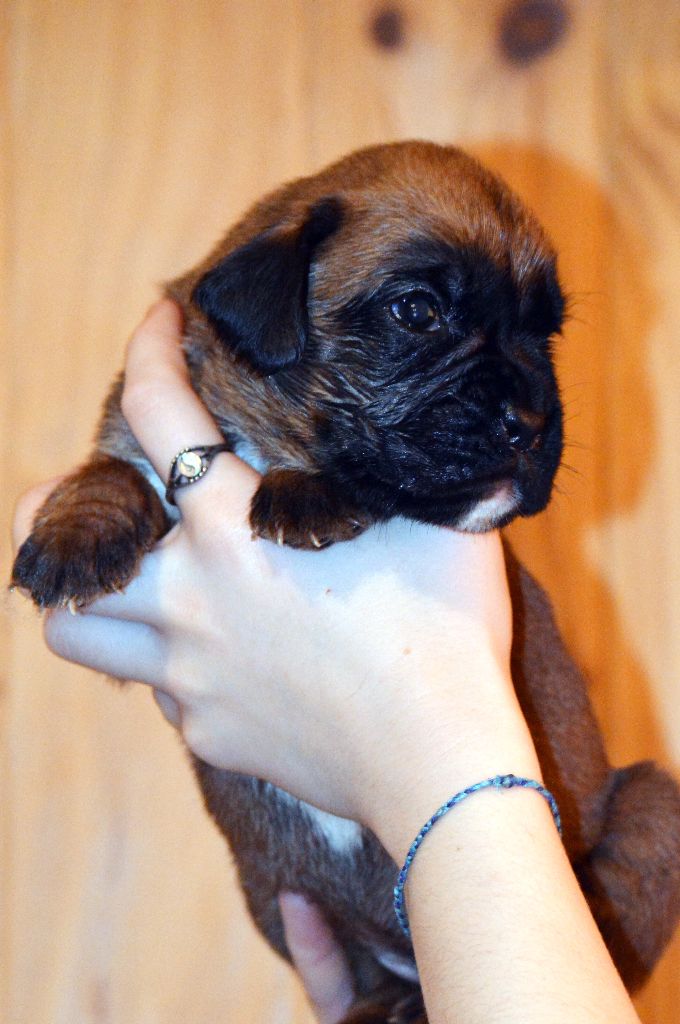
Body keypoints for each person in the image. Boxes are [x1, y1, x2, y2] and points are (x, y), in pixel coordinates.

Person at [12, 301, 642, 1024]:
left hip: (549, 908)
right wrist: (111, 499)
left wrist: (438, 761)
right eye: (419, 311)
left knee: (657, 821)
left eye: (543, 338)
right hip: (363, 951)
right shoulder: (239, 377)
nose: (528, 405)